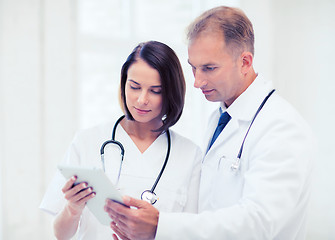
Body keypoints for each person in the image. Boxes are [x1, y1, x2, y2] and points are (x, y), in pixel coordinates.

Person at [104, 6, 315, 240]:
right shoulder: (219, 118)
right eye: (193, 68)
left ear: (245, 62)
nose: (197, 81)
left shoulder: (281, 127)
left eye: (209, 68)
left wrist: (161, 226)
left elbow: (259, 223)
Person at [39, 41, 202, 239]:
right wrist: (73, 208)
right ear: (124, 84)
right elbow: (60, 234)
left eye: (155, 91)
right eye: (134, 87)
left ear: (171, 93)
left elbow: (192, 233)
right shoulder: (87, 141)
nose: (142, 99)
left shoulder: (190, 155)